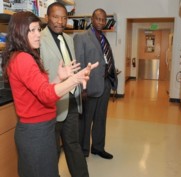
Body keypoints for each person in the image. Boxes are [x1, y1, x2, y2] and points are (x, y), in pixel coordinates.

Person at [1, 11, 98, 177]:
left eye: (39, 29)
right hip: (36, 133)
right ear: (19, 31)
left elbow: (40, 89)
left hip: (38, 131)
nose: (38, 34)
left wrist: (58, 78)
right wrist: (74, 79)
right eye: (32, 30)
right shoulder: (24, 58)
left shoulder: (21, 56)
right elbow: (46, 95)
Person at [40, 2, 90, 177]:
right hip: (52, 103)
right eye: (55, 16)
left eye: (64, 17)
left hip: (72, 101)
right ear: (47, 17)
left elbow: (72, 68)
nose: (60, 21)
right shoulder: (39, 39)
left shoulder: (69, 39)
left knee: (73, 144)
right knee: (52, 150)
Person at [74, 8, 118, 159]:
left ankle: (98, 147)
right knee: (86, 121)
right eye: (98, 18)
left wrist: (112, 79)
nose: (100, 22)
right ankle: (83, 150)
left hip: (105, 84)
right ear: (92, 19)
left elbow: (106, 58)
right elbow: (79, 64)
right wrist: (82, 88)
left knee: (100, 119)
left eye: (103, 19)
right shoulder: (81, 37)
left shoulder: (103, 38)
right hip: (90, 87)